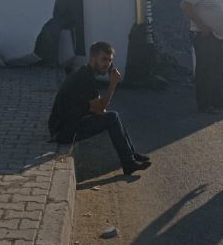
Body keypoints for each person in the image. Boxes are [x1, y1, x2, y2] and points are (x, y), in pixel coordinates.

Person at [47, 41, 151, 175]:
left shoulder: (87, 73)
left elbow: (98, 108)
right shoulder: (85, 78)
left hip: (68, 124)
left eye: (109, 60)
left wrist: (101, 111)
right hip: (62, 131)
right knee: (112, 117)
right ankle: (128, 162)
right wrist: (113, 84)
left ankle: (131, 155)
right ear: (92, 59)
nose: (107, 64)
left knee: (113, 116)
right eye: (103, 59)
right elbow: (100, 109)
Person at [181, 0, 223, 114]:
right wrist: (202, 26)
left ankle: (218, 102)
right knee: (205, 71)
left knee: (218, 70)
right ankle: (204, 105)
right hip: (203, 36)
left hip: (217, 36)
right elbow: (185, 5)